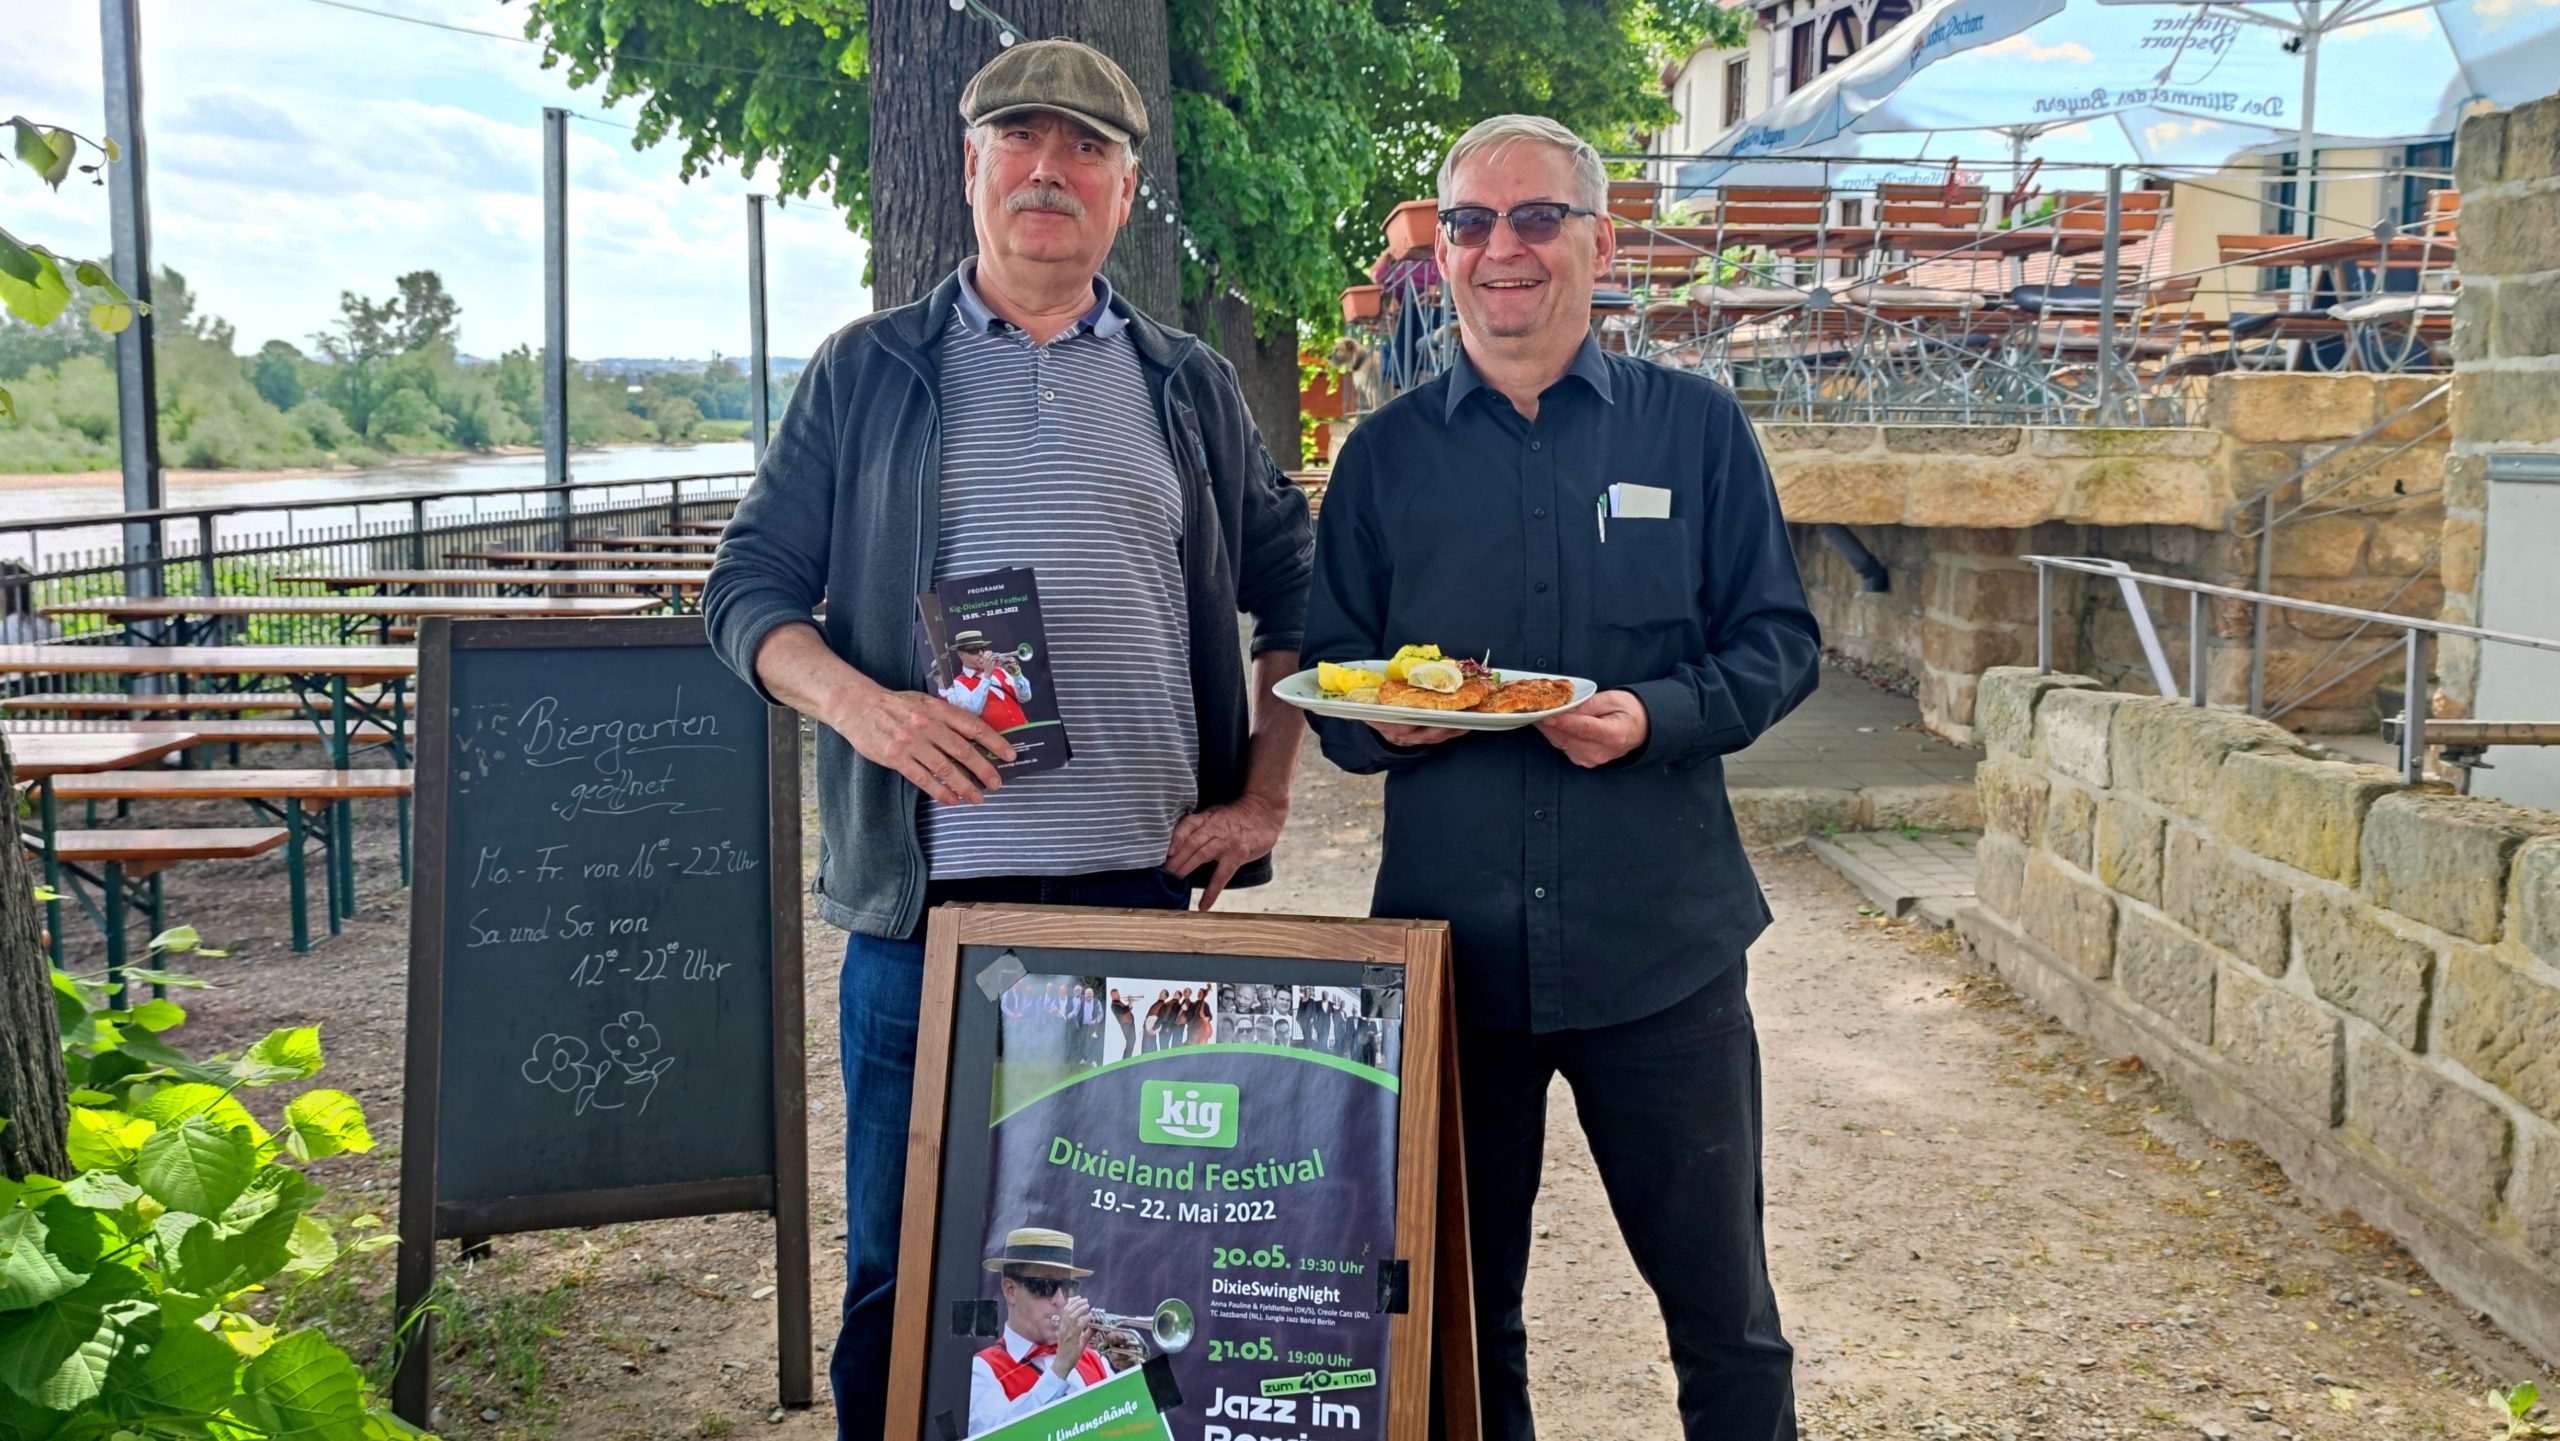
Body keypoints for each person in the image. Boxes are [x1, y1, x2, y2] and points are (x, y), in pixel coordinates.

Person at [702, 38, 1314, 1441]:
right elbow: (745, 595)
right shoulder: (870, 372)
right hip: (928, 922)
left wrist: (1268, 797)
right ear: (971, 167)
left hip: (1141, 902)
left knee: (1131, 1266)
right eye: (1021, 139)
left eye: (1086, 147)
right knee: (900, 1268)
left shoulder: (1187, 383)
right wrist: (869, 706)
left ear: (1126, 188)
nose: (1052, 168)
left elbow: (1303, 592)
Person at [1300, 114, 1819, 1440]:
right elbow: (1336, 685)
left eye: (1536, 217)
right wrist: (1387, 726)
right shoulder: (1384, 460)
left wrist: (1658, 714)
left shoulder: (1695, 432)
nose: (1502, 248)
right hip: (1452, 961)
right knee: (1463, 1321)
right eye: (1469, 224)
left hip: (1666, 955)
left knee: (1729, 1320)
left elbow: (1778, 645)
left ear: (1598, 239)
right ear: (1445, 258)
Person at [968, 1227, 1140, 1435]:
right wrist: (1060, 1368)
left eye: (1066, 1287)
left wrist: (1135, 1378)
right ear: (1010, 1290)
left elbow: (1133, 1431)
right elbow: (998, 1436)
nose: (1060, 1301)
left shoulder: (1095, 1360)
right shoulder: (982, 1370)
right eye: (1045, 1287)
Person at [941, 630, 1032, 731]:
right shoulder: (958, 684)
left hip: (1026, 731)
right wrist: (987, 675)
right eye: (974, 650)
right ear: (961, 655)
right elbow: (973, 711)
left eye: (982, 649)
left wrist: (1017, 674)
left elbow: (1025, 697)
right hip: (1000, 741)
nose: (980, 654)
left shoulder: (999, 671)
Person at [1109, 988, 1136, 1061]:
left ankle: (1127, 1059)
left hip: (1130, 1024)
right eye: (1116, 994)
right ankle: (1126, 1059)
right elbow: (1123, 1011)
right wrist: (1130, 1003)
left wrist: (1129, 1004)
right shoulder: (1113, 1005)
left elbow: (1126, 1009)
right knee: (1130, 1041)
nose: (1118, 995)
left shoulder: (1119, 1002)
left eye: (1118, 994)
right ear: (1112, 996)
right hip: (1126, 1025)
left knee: (1132, 1041)